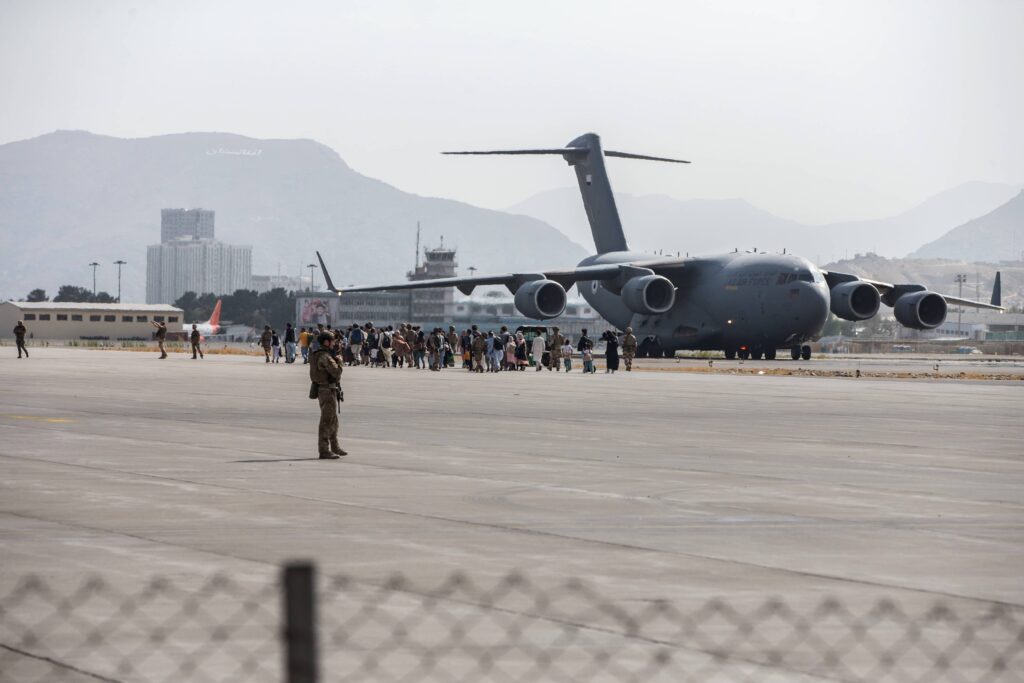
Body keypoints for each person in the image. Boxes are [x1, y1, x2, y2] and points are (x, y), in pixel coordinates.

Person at [309, 333, 346, 459]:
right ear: (326, 342)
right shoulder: (324, 356)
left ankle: (335, 446)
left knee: (333, 420)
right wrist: (340, 362)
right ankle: (324, 450)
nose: (334, 343)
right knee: (326, 420)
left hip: (326, 390)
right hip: (326, 391)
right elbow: (336, 372)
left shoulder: (320, 354)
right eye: (332, 341)